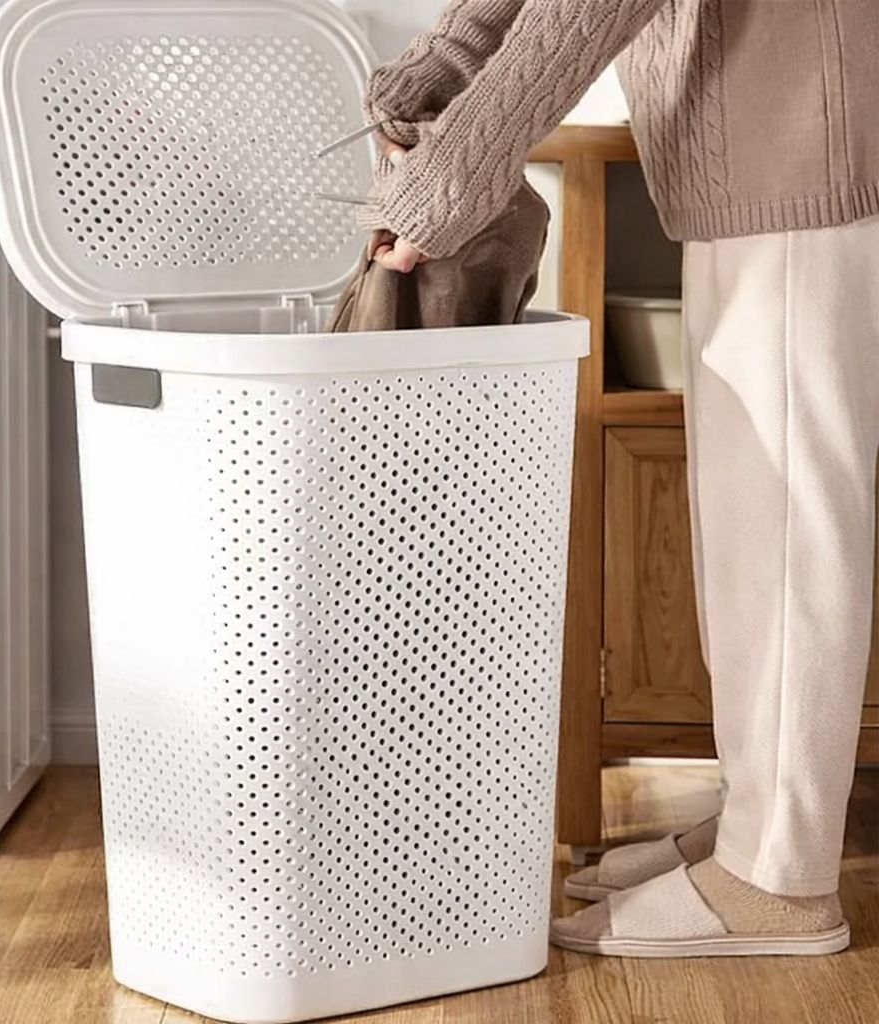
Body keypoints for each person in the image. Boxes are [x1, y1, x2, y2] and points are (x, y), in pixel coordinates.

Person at [361, 0, 879, 957]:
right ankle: (761, 826)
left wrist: (457, 172)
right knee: (747, 520)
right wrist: (446, 61)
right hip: (766, 134)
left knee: (784, 527)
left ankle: (781, 880)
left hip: (803, 139)